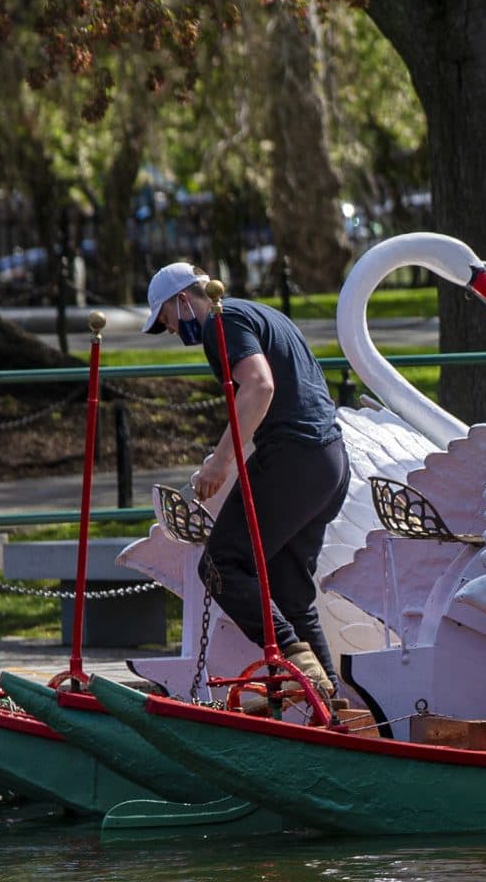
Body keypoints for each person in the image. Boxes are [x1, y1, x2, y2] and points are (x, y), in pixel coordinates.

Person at [143, 261, 348, 705]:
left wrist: (220, 463)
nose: (174, 332)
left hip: (295, 456)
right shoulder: (256, 312)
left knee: (220, 565)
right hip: (330, 462)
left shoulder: (221, 320)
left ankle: (293, 657)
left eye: (168, 321)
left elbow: (258, 386)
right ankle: (332, 707)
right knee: (290, 589)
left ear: (182, 300)